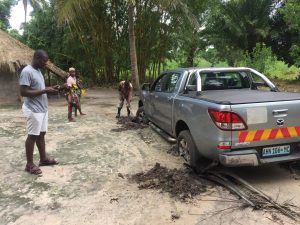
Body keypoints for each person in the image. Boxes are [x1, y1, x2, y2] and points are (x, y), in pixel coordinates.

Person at [19, 49, 59, 175]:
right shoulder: (27, 71)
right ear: (36, 58)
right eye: (44, 61)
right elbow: (23, 92)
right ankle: (29, 164)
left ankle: (43, 159)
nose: (45, 64)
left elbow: (40, 89)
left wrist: (51, 89)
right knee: (32, 136)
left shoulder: (38, 71)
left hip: (42, 109)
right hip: (33, 109)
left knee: (41, 134)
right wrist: (44, 91)